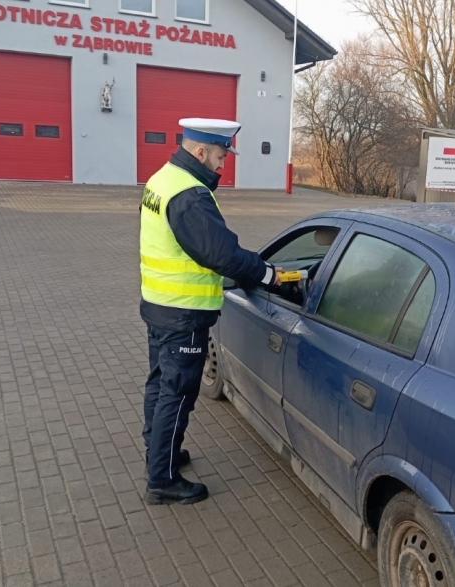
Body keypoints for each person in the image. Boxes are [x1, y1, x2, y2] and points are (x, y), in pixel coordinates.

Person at [139, 118, 281, 505]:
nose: (222, 164)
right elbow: (221, 254)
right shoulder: (191, 195)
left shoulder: (162, 178)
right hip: (183, 313)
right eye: (220, 155)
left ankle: (160, 452)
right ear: (200, 152)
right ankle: (162, 479)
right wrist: (267, 274)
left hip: (158, 305)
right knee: (178, 394)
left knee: (160, 384)